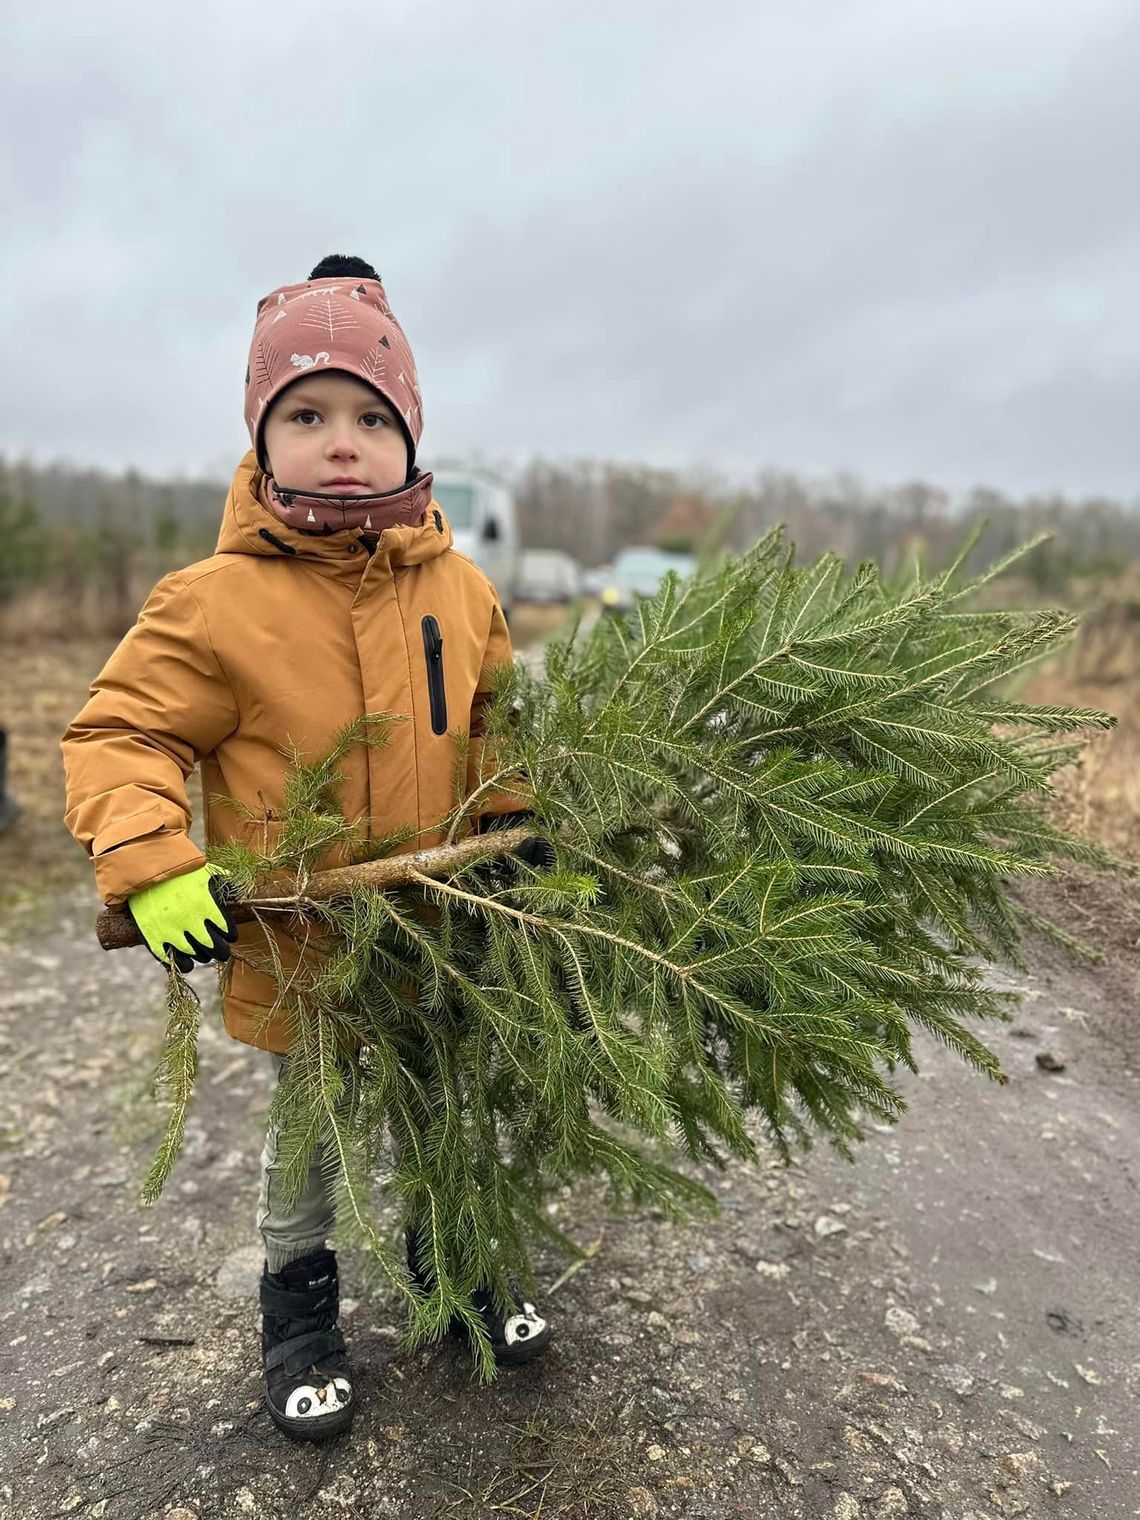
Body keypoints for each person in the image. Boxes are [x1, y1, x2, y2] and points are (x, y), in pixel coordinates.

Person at [59, 255, 553, 1443]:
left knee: (445, 1109)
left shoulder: (464, 590)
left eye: (371, 417)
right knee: (313, 1137)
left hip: (437, 936)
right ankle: (298, 1313)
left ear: (412, 432)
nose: (343, 441)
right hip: (306, 951)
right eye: (308, 415)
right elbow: (119, 730)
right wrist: (154, 856)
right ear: (261, 438)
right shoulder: (214, 600)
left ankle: (457, 1272)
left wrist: (512, 821)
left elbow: (499, 722)